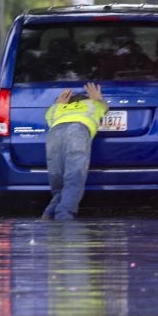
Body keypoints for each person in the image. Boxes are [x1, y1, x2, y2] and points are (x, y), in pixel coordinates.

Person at [41, 81, 107, 220]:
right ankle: (64, 216)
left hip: (54, 135)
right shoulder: (91, 105)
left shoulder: (56, 110)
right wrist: (98, 98)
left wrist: (58, 103)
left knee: (58, 180)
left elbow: (49, 115)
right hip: (77, 132)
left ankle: (49, 213)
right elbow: (104, 107)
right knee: (74, 178)